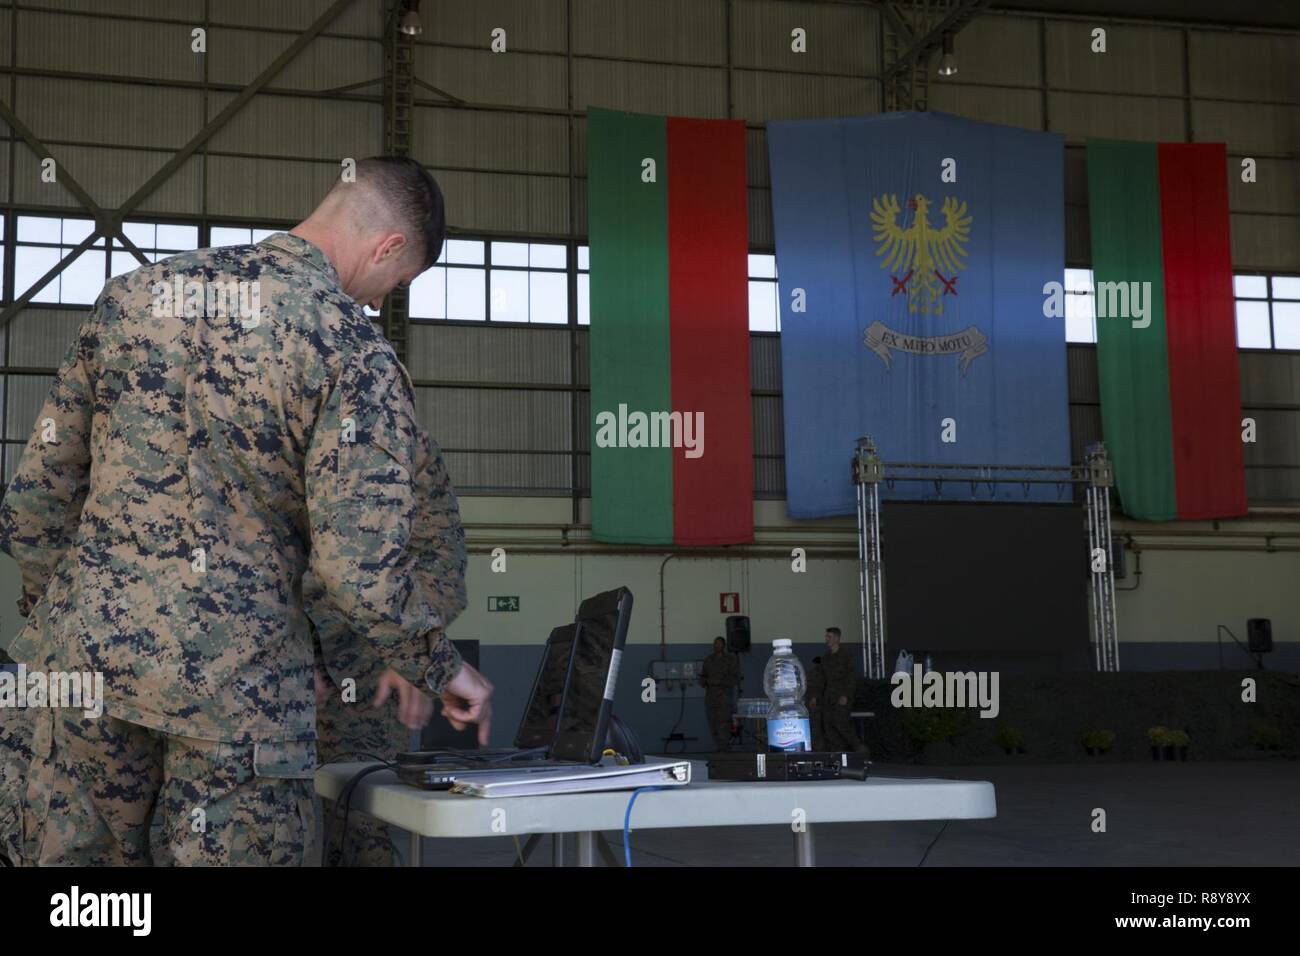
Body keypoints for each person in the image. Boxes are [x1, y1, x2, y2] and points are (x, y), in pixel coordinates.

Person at [0, 156, 493, 866]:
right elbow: (361, 572)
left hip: (79, 678)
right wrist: (445, 669)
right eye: (398, 282)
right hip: (240, 705)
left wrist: (76, 626)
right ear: (387, 249)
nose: (382, 302)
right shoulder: (354, 355)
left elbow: (32, 501)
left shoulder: (133, 297)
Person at [314, 426, 469, 866]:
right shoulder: (255, 412)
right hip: (259, 669)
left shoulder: (404, 440)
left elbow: (443, 560)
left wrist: (412, 654)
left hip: (369, 674)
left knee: (362, 825)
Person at [820, 627, 866, 753]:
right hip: (829, 697)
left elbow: (850, 677)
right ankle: (838, 754)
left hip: (841, 696)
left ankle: (860, 750)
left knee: (842, 724)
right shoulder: (826, 657)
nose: (827, 640)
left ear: (837, 638)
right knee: (829, 727)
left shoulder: (846, 656)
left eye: (829, 637)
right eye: (826, 637)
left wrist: (846, 695)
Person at [701, 637, 740, 751]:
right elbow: (703, 676)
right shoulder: (708, 660)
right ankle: (718, 747)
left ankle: (725, 749)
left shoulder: (730, 660)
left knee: (724, 724)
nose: (717, 646)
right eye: (715, 644)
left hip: (724, 698)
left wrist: (719, 682)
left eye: (720, 644)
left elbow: (735, 679)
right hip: (711, 698)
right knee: (712, 723)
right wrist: (705, 681)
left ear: (724, 645)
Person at [806, 655, 827, 751]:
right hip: (820, 704)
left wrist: (813, 698)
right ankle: (820, 750)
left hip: (814, 704)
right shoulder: (823, 672)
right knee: (819, 729)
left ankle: (817, 750)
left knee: (815, 729)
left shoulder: (814, 672)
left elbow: (814, 686)